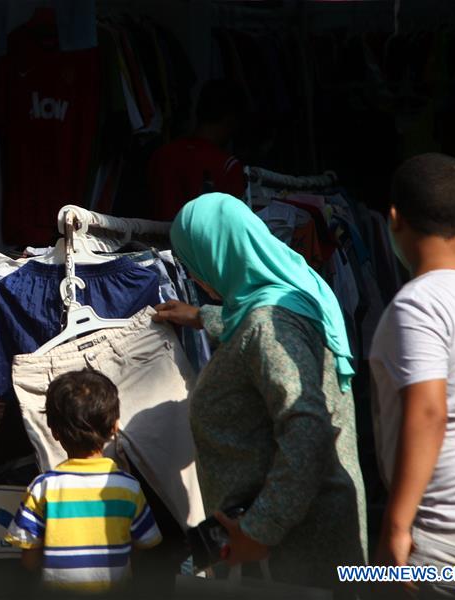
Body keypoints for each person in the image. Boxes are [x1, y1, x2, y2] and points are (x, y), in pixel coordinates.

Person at [152, 193, 367, 591]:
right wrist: (202, 316)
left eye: (192, 262)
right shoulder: (295, 288)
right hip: (303, 542)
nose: (196, 276)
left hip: (294, 557)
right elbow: (256, 332)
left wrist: (259, 529)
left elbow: (307, 429)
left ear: (213, 252)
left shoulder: (268, 323)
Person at [370, 153, 455, 598]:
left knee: (357, 579)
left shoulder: (418, 304)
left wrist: (396, 528)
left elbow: (427, 412)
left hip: (446, 539)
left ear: (394, 219)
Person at [4, 369, 162, 593]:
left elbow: (29, 560)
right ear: (114, 427)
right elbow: (144, 543)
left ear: (54, 432)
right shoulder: (129, 488)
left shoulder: (43, 487)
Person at [147, 79, 247, 221]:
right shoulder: (228, 166)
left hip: (152, 241)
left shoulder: (162, 154)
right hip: (197, 242)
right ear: (232, 119)